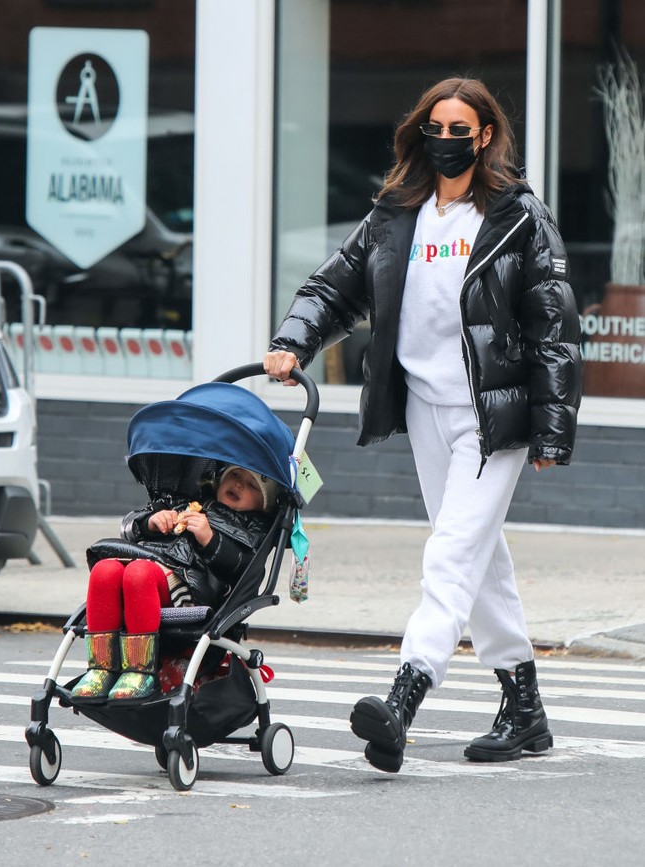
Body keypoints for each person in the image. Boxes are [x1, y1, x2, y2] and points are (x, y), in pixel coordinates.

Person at [264, 77, 582, 772]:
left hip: (489, 416)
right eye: (435, 127)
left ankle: (403, 698)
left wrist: (553, 429)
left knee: (450, 554)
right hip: (424, 409)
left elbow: (554, 324)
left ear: (486, 136)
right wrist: (294, 340)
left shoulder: (516, 216)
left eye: (459, 128)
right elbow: (335, 284)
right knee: (477, 555)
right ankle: (524, 707)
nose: (446, 139)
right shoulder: (396, 213)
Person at [71, 465, 279, 703]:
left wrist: (211, 541)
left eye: (252, 485)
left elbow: (245, 567)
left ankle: (139, 671)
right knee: (104, 570)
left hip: (190, 586)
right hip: (151, 564)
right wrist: (151, 521)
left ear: (264, 503)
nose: (240, 484)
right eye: (234, 475)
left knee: (139, 572)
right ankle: (101, 667)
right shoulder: (189, 502)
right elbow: (130, 526)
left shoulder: (253, 528)